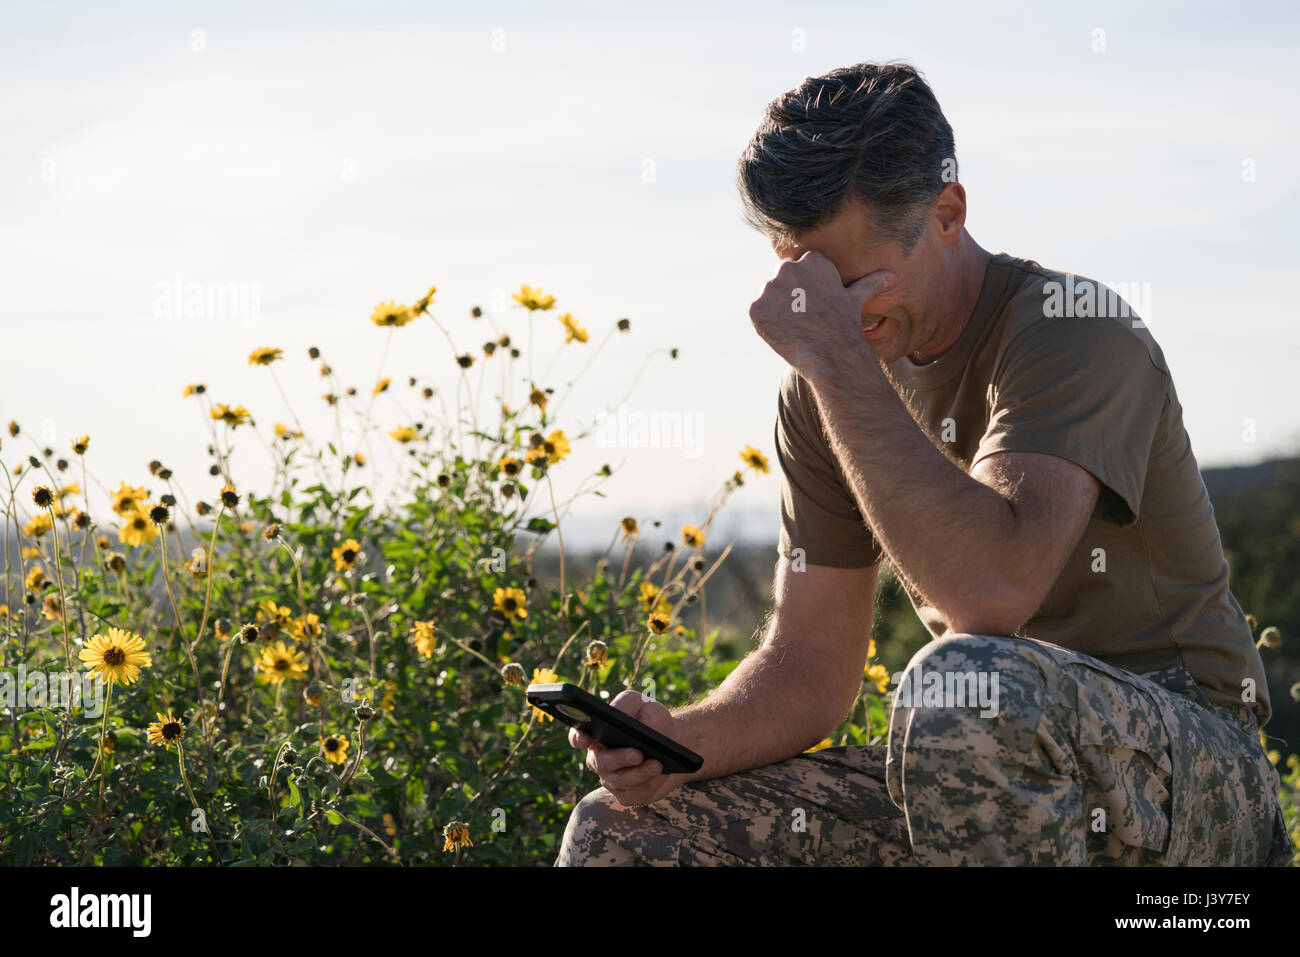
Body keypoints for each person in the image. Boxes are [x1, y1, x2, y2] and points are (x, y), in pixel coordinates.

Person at [554, 61, 1293, 866]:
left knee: (961, 685)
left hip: (1200, 776)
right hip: (976, 772)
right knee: (618, 833)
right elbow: (811, 664)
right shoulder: (826, 380)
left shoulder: (1075, 329)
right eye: (810, 282)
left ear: (948, 212)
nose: (833, 312)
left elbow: (991, 593)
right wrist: (679, 739)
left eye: (857, 281)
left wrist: (840, 368)